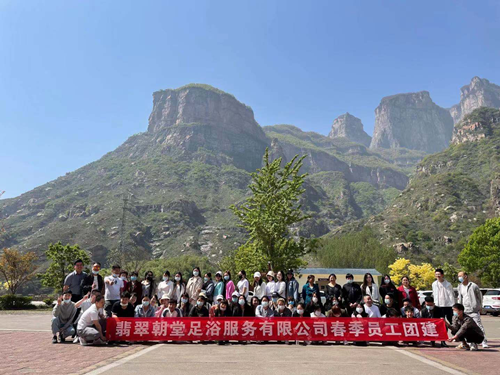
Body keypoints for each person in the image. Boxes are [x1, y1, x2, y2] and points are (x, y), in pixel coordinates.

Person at [457, 271, 488, 348]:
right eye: (458, 276)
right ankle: (471, 342)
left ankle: (484, 341)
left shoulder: (473, 286)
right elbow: (460, 298)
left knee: (478, 326)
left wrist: (480, 307)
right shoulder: (460, 287)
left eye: (460, 276)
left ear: (465, 276)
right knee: (467, 327)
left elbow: (479, 297)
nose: (459, 278)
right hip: (465, 310)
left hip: (473, 310)